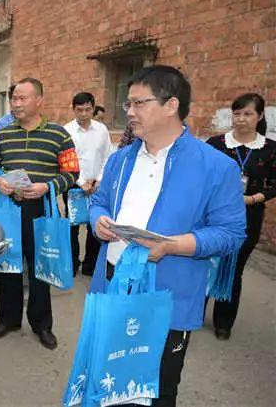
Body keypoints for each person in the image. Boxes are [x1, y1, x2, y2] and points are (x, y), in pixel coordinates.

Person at [89, 65, 246, 406]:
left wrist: (173, 245)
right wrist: (99, 219)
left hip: (167, 291)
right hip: (114, 282)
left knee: (157, 385)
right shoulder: (120, 160)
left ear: (171, 105)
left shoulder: (216, 166)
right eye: (127, 103)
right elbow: (99, 201)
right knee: (109, 375)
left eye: (138, 103)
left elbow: (231, 233)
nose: (129, 111)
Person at [0, 77, 79, 350]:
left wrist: (46, 187)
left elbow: (72, 173)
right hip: (9, 208)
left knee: (40, 268)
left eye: (22, 98)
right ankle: (9, 319)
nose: (16, 103)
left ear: (39, 100)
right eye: (14, 98)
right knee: (9, 265)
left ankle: (41, 324)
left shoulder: (59, 135)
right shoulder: (2, 135)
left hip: (41, 209)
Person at [206, 93, 275, 340]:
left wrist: (254, 198)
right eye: (237, 113)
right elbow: (200, 176)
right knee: (204, 261)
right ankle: (193, 312)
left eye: (248, 114)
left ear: (259, 117)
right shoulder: (216, 143)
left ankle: (224, 322)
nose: (241, 119)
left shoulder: (269, 149)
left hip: (248, 216)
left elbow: (274, 184)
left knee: (234, 268)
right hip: (212, 214)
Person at [63, 92, 111, 276]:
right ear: (73, 109)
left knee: (95, 226)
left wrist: (99, 179)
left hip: (97, 186)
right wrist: (81, 182)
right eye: (79, 110)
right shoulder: (66, 131)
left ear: (93, 108)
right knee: (72, 227)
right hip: (74, 185)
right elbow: (66, 161)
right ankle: (72, 264)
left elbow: (107, 156)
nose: (84, 114)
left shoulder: (102, 130)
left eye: (88, 109)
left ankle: (90, 266)